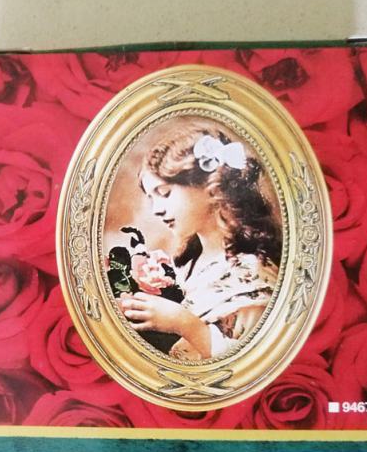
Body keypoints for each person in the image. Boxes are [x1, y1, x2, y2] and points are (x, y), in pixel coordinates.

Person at [118, 117, 281, 361]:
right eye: (151, 198)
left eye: (164, 193)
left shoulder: (253, 272)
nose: (156, 210)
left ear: (210, 188)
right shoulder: (189, 260)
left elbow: (251, 360)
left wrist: (183, 323)